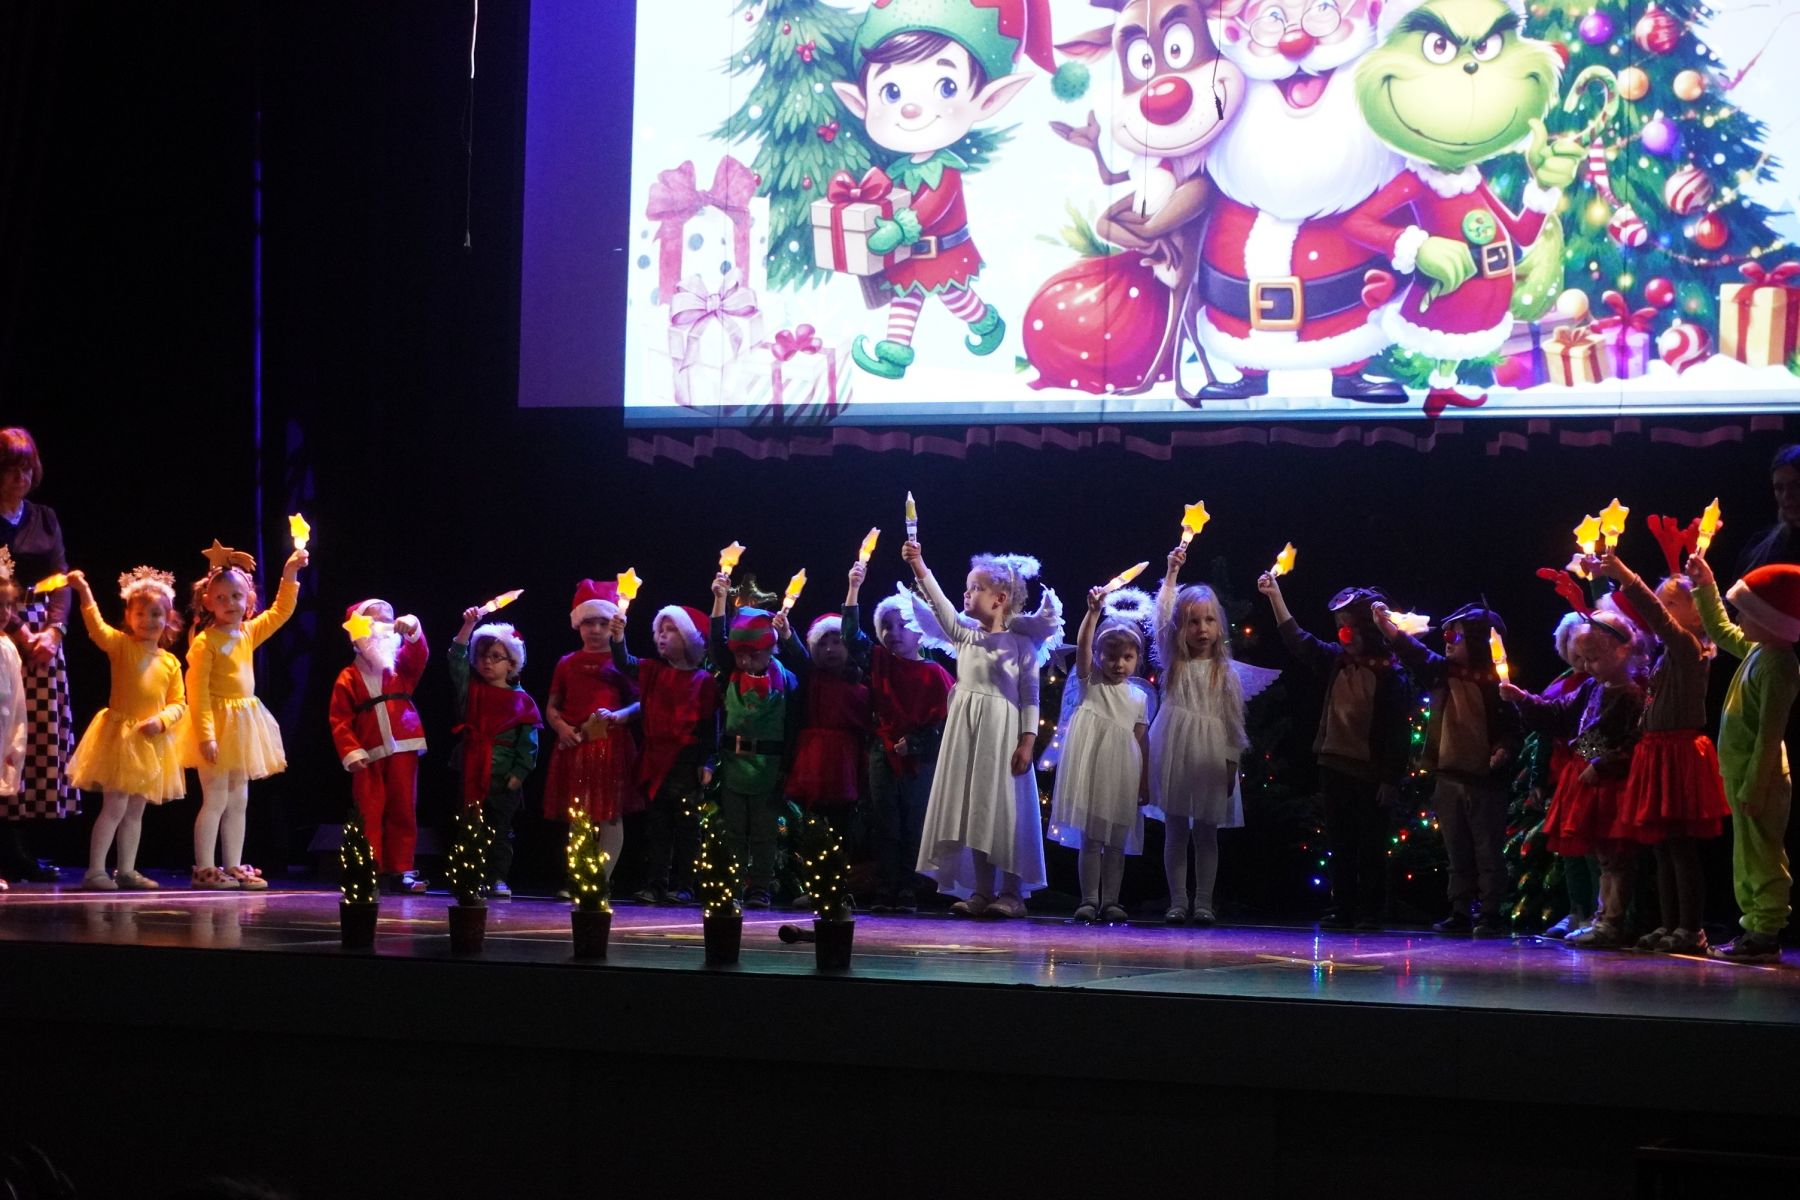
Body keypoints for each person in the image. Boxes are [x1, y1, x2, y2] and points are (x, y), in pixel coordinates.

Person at [902, 540, 1062, 918]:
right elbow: (939, 603)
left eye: (976, 588)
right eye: (967, 586)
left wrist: (1027, 741)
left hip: (1003, 733)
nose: (966, 593)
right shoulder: (964, 634)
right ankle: (982, 890)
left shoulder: (1021, 644)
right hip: (967, 733)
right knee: (975, 808)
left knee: (1004, 809)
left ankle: (1012, 893)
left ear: (999, 599)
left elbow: (1030, 696)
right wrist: (918, 565)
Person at [1258, 573, 1410, 930]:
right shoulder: (1335, 660)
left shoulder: (1391, 674)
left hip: (1370, 774)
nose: (1344, 633)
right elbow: (1298, 640)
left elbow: (1398, 733)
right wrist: (1275, 596)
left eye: (1350, 626)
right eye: (1340, 626)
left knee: (1370, 846)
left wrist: (1390, 778)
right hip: (1333, 766)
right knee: (1340, 843)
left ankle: (1371, 911)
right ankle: (1343, 908)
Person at [1373, 601, 1520, 937]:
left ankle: (1490, 911)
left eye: (1457, 636)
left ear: (1479, 641)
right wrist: (1386, 626)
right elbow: (1413, 652)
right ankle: (1460, 909)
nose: (1448, 641)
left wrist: (1503, 749)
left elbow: (1513, 728)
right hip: (1448, 777)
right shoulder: (1442, 671)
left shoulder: (1497, 683)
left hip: (1485, 782)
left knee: (1488, 849)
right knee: (1456, 849)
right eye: (1448, 635)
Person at [1501, 610, 1647, 948]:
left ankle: (1613, 920)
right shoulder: (1593, 687)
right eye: (1583, 659)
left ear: (1621, 651)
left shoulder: (1631, 694)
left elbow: (1634, 742)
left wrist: (1603, 764)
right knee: (1601, 856)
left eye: (1594, 659)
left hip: (1610, 785)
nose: (1587, 666)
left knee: (1615, 857)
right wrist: (1522, 698)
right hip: (1588, 780)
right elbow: (1558, 713)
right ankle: (1602, 917)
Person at [1149, 544, 1277, 925]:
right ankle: (1178, 901)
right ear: (1181, 627)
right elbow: (1161, 617)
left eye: (1208, 621)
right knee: (1175, 829)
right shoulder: (1175, 662)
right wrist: (1171, 573)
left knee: (1206, 831)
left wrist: (1231, 762)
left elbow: (1233, 722)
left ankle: (1203, 902)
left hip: (1210, 754)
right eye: (1192, 622)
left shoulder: (1226, 672)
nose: (1201, 629)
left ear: (1219, 626)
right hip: (1175, 748)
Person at [1688, 552, 1800, 963]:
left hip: (1761, 778)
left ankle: (1764, 933)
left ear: (1772, 621)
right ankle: (1754, 928)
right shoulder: (1760, 650)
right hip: (1742, 773)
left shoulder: (1778, 665)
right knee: (1746, 856)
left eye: (1747, 613)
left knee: (1762, 856)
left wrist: (1755, 785)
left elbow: (1770, 735)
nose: (1739, 619)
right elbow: (1720, 630)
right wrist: (1705, 585)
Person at [180, 540, 308, 890]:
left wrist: (290, 573)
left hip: (243, 724)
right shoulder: (205, 642)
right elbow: (197, 692)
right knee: (216, 798)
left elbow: (281, 611)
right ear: (208, 602)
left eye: (236, 596)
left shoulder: (248, 633)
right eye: (221, 598)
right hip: (216, 724)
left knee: (239, 799)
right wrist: (205, 735)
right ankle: (205, 868)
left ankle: (233, 864)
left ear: (249, 599)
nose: (230, 603)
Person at [66, 567, 187, 890]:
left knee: (135, 811)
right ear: (129, 617)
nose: (148, 620)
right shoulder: (121, 646)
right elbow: (96, 627)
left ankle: (126, 870)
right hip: (121, 739)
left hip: (149, 743)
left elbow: (179, 702)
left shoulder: (170, 662)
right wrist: (84, 591)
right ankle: (95, 871)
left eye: (156, 614)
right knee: (115, 807)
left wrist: (162, 720)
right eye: (140, 614)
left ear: (168, 617)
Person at [843, 569, 952, 914]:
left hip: (919, 760)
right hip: (883, 752)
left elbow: (943, 725)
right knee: (885, 821)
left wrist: (915, 744)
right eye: (887, 626)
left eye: (903, 625)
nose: (894, 633)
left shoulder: (935, 673)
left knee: (914, 822)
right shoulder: (878, 661)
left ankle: (908, 887)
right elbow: (851, 637)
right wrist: (854, 587)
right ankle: (885, 885)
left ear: (920, 630)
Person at [1048, 587, 1154, 925]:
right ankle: (1089, 899)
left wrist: (1143, 782)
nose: (1119, 664)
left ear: (1137, 659)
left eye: (1127, 657)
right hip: (1092, 771)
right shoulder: (1090, 683)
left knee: (1117, 842)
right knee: (1092, 840)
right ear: (1099, 657)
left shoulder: (1139, 697)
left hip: (1122, 774)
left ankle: (1111, 900)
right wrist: (1093, 613)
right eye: (1111, 657)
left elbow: (1141, 742)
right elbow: (1082, 646)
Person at [0, 427, 74, 880]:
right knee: (3, 734)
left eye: (27, 469)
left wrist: (54, 631)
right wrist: (19, 631)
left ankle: (17, 848)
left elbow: (60, 579)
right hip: (4, 632)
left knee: (37, 739)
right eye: (11, 469)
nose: (21, 478)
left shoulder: (44, 518)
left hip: (42, 636)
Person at [613, 603, 715, 905]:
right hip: (656, 759)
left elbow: (710, 726)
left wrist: (707, 762)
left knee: (687, 827)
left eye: (671, 630)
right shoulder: (652, 671)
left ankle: (685, 886)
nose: (662, 636)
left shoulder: (703, 680)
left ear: (688, 638)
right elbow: (625, 663)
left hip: (686, 760)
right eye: (660, 630)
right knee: (658, 827)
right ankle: (656, 884)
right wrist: (618, 637)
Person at [707, 579, 799, 909]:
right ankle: (731, 884)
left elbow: (804, 667)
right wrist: (720, 599)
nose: (745, 661)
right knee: (733, 830)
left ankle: (760, 886)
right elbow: (716, 644)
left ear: (770, 649)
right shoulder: (730, 674)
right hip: (734, 764)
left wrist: (787, 635)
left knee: (763, 831)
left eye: (753, 654)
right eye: (740, 654)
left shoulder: (786, 679)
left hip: (769, 768)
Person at [327, 599, 429, 895]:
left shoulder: (400, 666)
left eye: (389, 620)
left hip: (404, 746)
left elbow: (419, 654)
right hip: (369, 753)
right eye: (376, 621)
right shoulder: (348, 677)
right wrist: (351, 750)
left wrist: (414, 628)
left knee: (403, 808)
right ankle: (367, 868)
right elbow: (340, 719)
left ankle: (401, 869)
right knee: (368, 810)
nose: (384, 626)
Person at [542, 581, 640, 886]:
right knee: (578, 814)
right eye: (589, 623)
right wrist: (561, 727)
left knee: (610, 814)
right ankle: (580, 878)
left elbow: (640, 703)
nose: (595, 630)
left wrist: (618, 716)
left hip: (610, 747)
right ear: (578, 624)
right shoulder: (567, 663)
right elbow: (552, 706)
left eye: (602, 623)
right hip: (575, 746)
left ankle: (601, 880)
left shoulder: (621, 662)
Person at [448, 608, 540, 898]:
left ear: (512, 663)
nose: (487, 661)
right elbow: (456, 657)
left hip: (502, 777)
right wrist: (469, 625)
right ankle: (469, 877)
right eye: (482, 656)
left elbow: (528, 742)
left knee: (499, 829)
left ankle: (497, 877)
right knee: (469, 826)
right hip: (471, 770)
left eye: (495, 656)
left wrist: (519, 772)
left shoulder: (522, 700)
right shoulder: (472, 689)